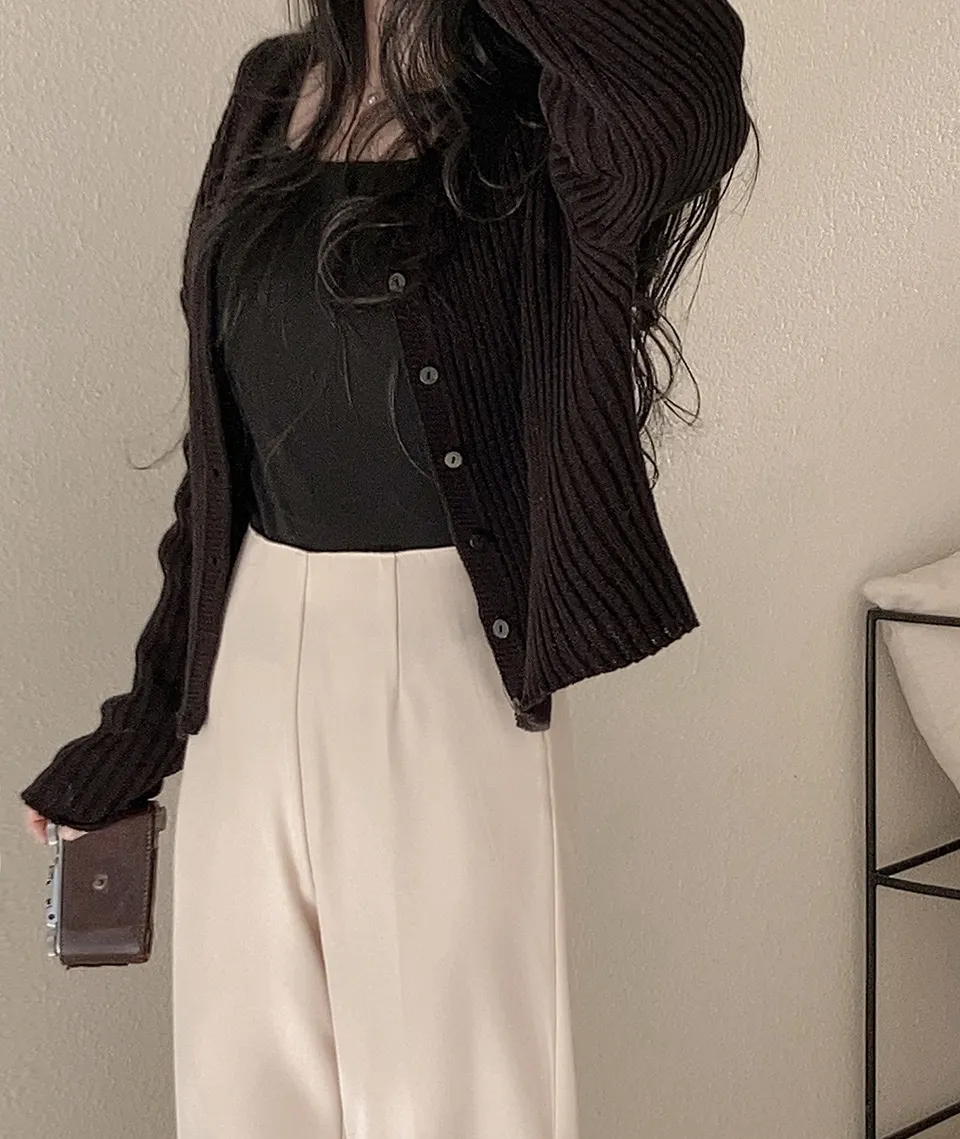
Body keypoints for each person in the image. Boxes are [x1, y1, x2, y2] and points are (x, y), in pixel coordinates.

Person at [22, 1, 756, 1135]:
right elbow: (222, 468)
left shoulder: (546, 107)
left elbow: (686, 77)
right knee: (240, 1098)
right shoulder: (271, 89)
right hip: (249, 665)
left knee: (452, 1104)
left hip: (445, 660)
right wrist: (139, 731)